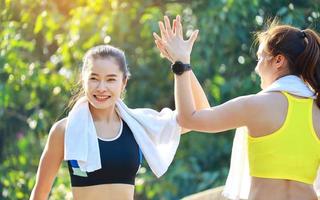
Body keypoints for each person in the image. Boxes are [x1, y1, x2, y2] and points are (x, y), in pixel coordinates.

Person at [153, 15, 320, 200]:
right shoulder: (317, 110)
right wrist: (185, 66)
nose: (256, 69)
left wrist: (181, 64)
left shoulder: (256, 106)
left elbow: (189, 118)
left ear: (278, 61)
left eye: (259, 59)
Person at [30, 45, 209, 200]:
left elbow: (200, 115)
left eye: (110, 79)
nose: (101, 88)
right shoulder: (65, 130)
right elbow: (40, 193)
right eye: (93, 78)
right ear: (83, 80)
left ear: (123, 82)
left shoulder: (139, 125)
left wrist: (183, 63)